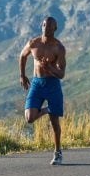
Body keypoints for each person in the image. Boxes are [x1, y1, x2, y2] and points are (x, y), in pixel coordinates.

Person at [19, 16, 66, 165]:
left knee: (54, 123)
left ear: (55, 29)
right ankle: (46, 110)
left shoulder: (59, 48)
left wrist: (49, 67)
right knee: (29, 118)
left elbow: (61, 74)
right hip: (36, 83)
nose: (46, 27)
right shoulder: (34, 43)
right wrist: (22, 75)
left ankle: (57, 152)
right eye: (45, 25)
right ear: (42, 26)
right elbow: (22, 55)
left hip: (52, 84)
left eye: (50, 26)